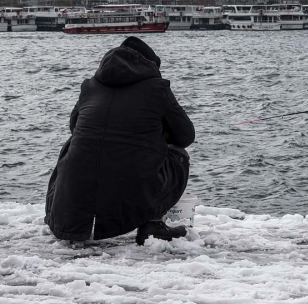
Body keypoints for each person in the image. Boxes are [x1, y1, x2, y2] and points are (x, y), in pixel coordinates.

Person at [45, 36, 195, 244]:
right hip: (132, 188)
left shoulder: (90, 87)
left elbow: (74, 128)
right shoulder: (156, 88)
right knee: (179, 155)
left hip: (69, 210)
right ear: (150, 65)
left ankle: (70, 217)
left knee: (74, 145)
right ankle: (152, 221)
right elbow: (185, 137)